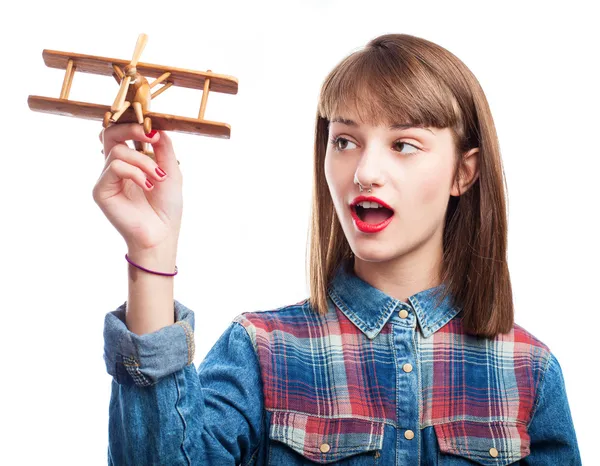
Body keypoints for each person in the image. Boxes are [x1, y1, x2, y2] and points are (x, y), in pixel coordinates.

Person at [97, 33, 581, 465]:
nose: (365, 171)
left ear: (463, 172)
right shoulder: (262, 351)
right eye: (346, 140)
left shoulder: (529, 372)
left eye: (404, 145)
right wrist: (152, 251)